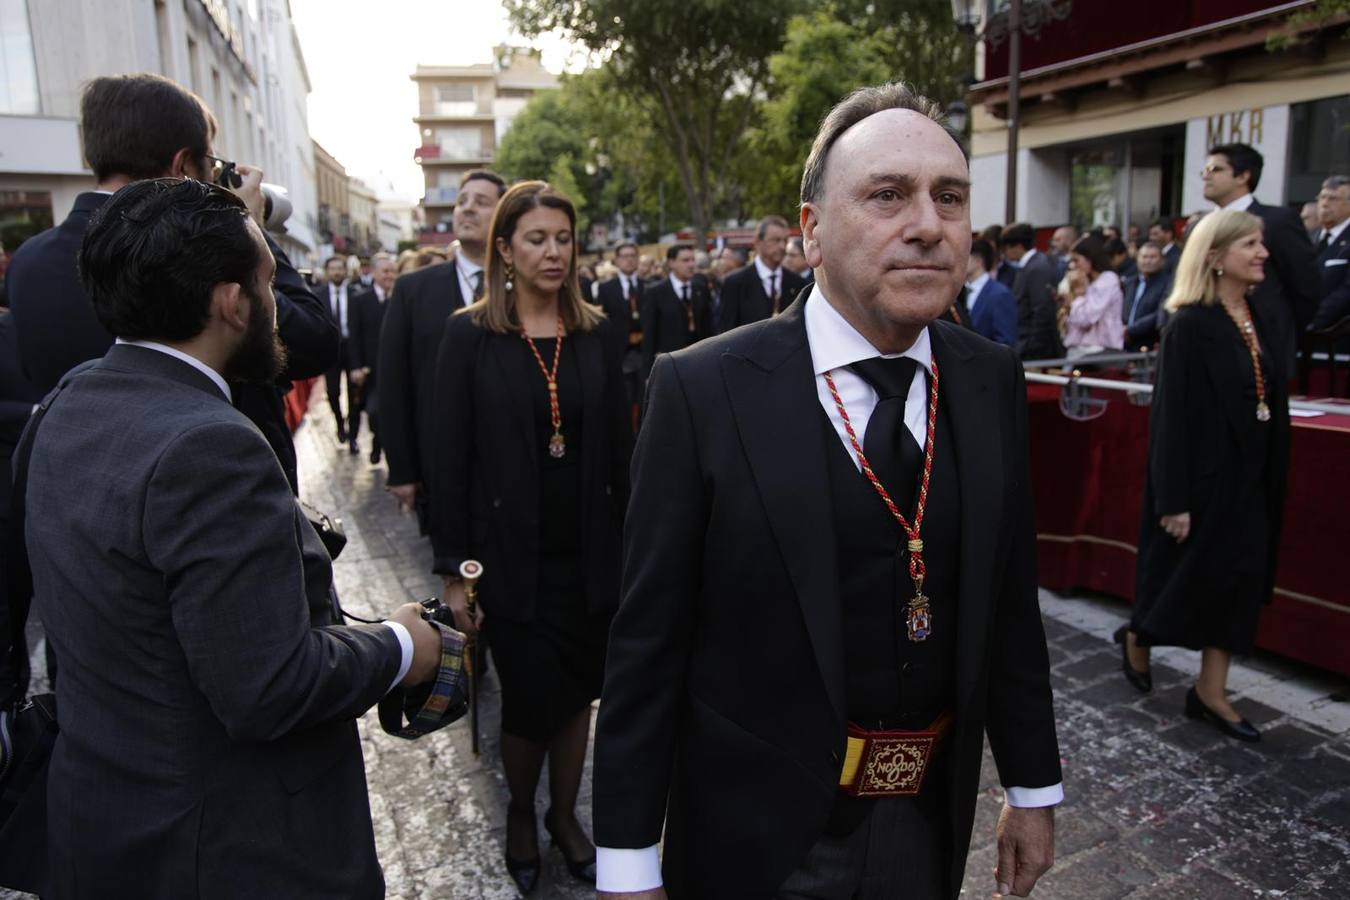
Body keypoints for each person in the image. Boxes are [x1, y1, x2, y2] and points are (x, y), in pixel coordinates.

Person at [593, 82, 1060, 900]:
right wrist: (628, 862)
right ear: (811, 231)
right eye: (887, 195)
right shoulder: (705, 390)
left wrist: (1032, 789)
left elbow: (1008, 604)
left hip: (926, 829)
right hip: (756, 841)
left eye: (948, 198)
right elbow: (647, 644)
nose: (926, 223)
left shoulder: (988, 380)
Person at [23, 177, 449, 897]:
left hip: (104, 830)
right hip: (225, 851)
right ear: (231, 300)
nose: (277, 305)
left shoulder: (70, 400)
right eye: (269, 281)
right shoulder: (210, 446)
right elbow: (270, 687)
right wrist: (407, 643)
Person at [429, 181, 631, 895]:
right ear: (506, 250)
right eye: (537, 239)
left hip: (589, 556)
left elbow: (619, 454)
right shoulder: (470, 334)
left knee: (578, 695)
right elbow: (447, 460)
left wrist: (637, 547)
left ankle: (565, 817)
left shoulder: (598, 332)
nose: (554, 251)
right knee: (530, 699)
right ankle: (522, 811)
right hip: (508, 560)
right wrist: (454, 571)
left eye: (563, 237)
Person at [3, 73, 336, 496]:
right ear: (182, 167)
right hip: (218, 497)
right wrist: (245, 229)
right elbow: (313, 341)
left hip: (84, 502)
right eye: (211, 165)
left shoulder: (27, 262)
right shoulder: (195, 253)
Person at [1119, 209, 1287, 743]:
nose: (1262, 252)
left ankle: (1210, 692)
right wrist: (1173, 500)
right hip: (1202, 486)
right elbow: (1170, 418)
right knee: (1180, 584)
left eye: (1262, 243)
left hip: (1252, 481)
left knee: (1239, 588)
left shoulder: (1260, 312)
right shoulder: (1189, 324)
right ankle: (1138, 636)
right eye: (1251, 244)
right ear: (1215, 257)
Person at [377, 169, 506, 532]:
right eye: (461, 201)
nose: (466, 210)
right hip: (440, 465)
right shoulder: (413, 290)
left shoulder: (521, 288)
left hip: (512, 463)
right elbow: (394, 382)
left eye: (481, 203)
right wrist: (402, 470)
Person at [1201, 143, 1322, 377]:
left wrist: (1277, 328)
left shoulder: (1278, 221)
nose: (1206, 176)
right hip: (1206, 345)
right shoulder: (1201, 226)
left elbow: (1306, 287)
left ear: (1243, 176)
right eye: (1205, 170)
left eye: (1216, 169)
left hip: (1263, 351)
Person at [717, 215, 808, 332]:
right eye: (775, 240)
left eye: (785, 240)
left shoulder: (797, 283)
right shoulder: (735, 283)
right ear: (758, 242)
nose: (782, 246)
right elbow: (726, 332)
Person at [348, 252, 397, 464]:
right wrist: (356, 366)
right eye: (386, 271)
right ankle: (377, 441)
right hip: (370, 367)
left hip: (394, 368)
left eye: (393, 271)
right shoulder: (360, 300)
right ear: (375, 272)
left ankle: (382, 446)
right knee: (374, 411)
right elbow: (355, 336)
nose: (390, 276)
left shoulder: (399, 298)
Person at [639, 244, 713, 378]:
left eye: (692, 260)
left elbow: (709, 326)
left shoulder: (700, 288)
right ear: (671, 263)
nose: (691, 265)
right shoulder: (655, 292)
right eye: (685, 260)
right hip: (670, 364)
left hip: (701, 361)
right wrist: (648, 372)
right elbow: (649, 333)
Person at [596, 242, 647, 431]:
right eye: (624, 256)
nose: (629, 259)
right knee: (624, 400)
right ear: (616, 260)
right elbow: (602, 322)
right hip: (620, 354)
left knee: (645, 399)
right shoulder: (606, 289)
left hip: (644, 352)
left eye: (633, 255)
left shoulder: (648, 286)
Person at [1002, 222, 1062, 361]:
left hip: (1034, 349)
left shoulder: (1036, 268)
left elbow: (1042, 309)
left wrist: (1032, 347)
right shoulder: (1030, 266)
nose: (1005, 253)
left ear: (1018, 246)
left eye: (1006, 248)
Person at [322, 255, 360, 454]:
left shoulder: (356, 294)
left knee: (355, 393)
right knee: (333, 392)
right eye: (333, 268)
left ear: (345, 271)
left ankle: (353, 436)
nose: (336, 272)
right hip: (331, 350)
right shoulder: (318, 294)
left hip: (352, 348)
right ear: (327, 271)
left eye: (340, 268)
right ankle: (339, 422)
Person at [1063, 235, 1125, 356]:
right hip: (1080, 348)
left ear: (1090, 258)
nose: (1072, 265)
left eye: (1076, 260)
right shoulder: (1088, 281)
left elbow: (1086, 318)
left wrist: (1079, 295)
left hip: (1102, 350)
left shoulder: (1108, 280)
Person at [1309, 175, 1350, 330]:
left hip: (1336, 336)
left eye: (1333, 199)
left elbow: (1346, 291)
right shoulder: (1308, 238)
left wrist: (1312, 320)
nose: (1325, 204)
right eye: (1322, 197)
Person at [964, 238, 1017, 346]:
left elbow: (1006, 340)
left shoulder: (1000, 294)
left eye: (964, 257)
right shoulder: (959, 292)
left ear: (978, 261)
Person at [1122, 241, 1173, 350]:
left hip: (1149, 343)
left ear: (1162, 260)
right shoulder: (1129, 283)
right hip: (1123, 342)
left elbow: (1160, 313)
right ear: (1137, 259)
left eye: (1152, 257)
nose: (1148, 261)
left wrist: (1130, 330)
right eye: (1144, 257)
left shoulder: (1169, 283)